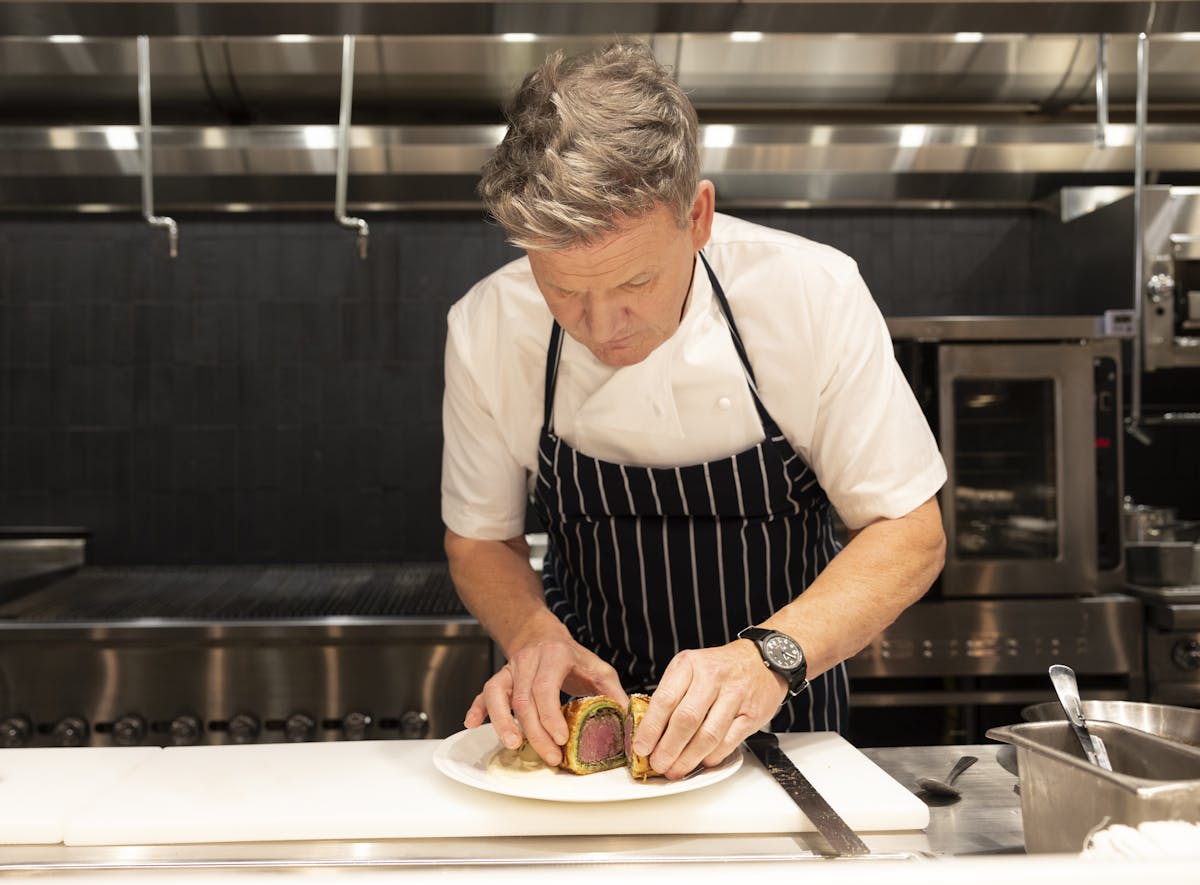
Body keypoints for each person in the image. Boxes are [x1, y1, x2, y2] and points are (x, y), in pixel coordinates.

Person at [441, 41, 946, 780]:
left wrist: (767, 658)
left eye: (634, 281)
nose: (602, 324)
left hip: (787, 723)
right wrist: (531, 634)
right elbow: (480, 540)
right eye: (563, 289)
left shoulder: (811, 294)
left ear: (698, 215)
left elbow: (909, 530)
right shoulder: (488, 324)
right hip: (583, 745)